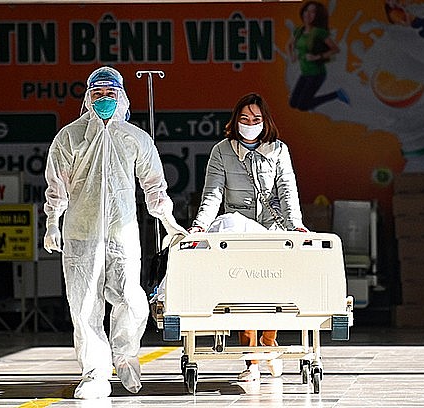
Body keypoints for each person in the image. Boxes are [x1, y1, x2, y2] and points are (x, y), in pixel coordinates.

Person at [43, 66, 187, 399]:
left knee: (133, 300)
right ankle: (94, 373)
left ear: (121, 97)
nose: (104, 99)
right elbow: (56, 186)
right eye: (98, 93)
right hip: (80, 234)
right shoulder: (69, 137)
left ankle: (124, 354)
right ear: (87, 97)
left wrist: (168, 221)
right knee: (84, 306)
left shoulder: (135, 138)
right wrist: (52, 221)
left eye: (111, 93)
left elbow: (154, 185)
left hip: (122, 234)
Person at [189, 92, 307, 382]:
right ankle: (252, 360)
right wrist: (199, 226)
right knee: (244, 296)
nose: (250, 124)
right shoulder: (221, 151)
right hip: (239, 231)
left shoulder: (278, 150)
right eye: (244, 119)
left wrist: (296, 226)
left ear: (265, 121)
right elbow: (213, 193)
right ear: (235, 121)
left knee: (272, 294)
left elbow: (287, 191)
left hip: (272, 230)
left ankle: (268, 343)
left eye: (255, 119)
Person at [287, 1, 349, 111]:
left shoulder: (319, 32)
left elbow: (335, 49)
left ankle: (336, 94)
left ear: (317, 16)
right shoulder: (299, 31)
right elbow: (289, 45)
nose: (308, 14)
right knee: (293, 104)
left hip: (317, 74)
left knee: (302, 106)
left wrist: (318, 57)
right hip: (305, 73)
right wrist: (292, 56)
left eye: (313, 12)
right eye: (306, 11)